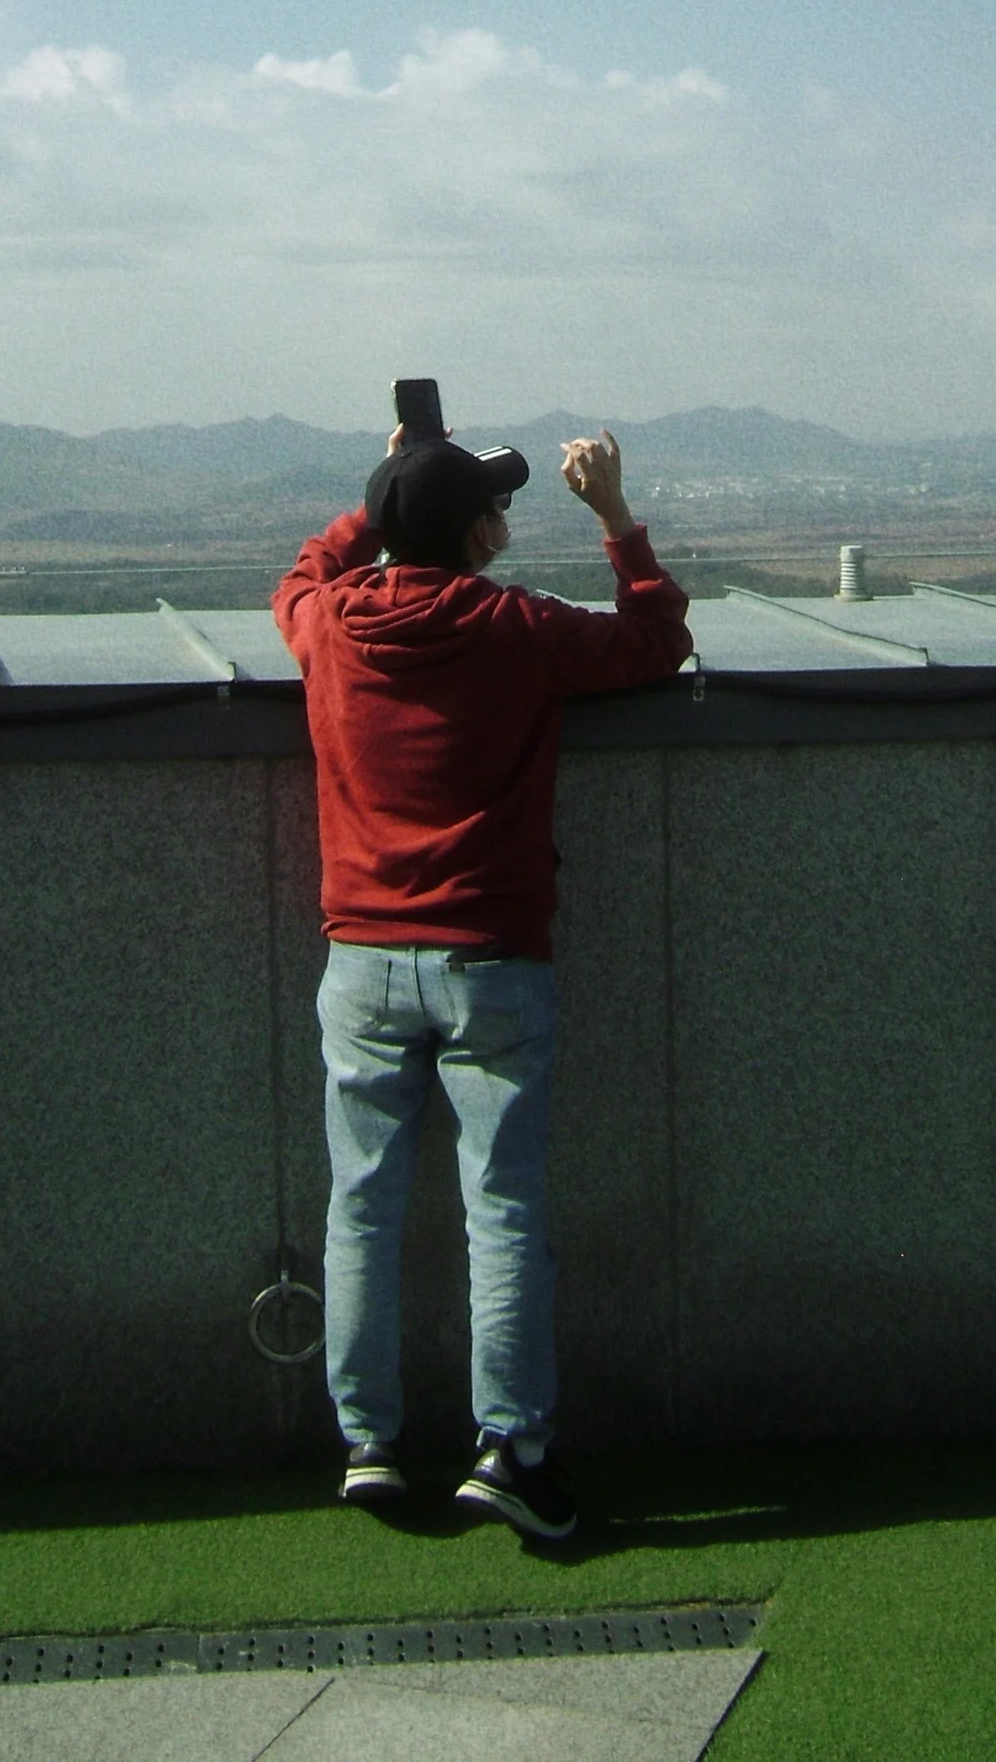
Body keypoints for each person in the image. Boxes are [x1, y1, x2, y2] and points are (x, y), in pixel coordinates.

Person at [272, 422, 692, 1539]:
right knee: (501, 1210)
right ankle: (510, 1449)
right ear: (480, 535)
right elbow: (656, 638)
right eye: (495, 507)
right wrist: (615, 517)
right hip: (493, 959)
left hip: (362, 959)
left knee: (361, 1208)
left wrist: (385, 488)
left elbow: (303, 573)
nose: (505, 517)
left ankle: (369, 1444)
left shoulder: (329, 623)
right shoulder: (517, 627)